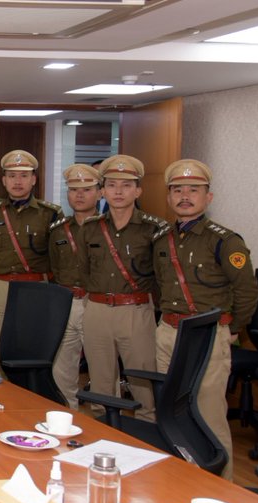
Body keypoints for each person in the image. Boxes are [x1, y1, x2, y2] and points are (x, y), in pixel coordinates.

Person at [153, 159, 258, 480]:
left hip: (207, 335)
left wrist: (228, 328)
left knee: (209, 414)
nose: (185, 196)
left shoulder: (224, 241)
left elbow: (247, 292)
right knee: (170, 410)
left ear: (208, 197)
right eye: (177, 190)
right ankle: (179, 478)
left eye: (193, 190)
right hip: (168, 331)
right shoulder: (161, 238)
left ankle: (221, 486)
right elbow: (159, 283)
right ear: (169, 196)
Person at [77, 154, 166, 422]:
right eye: (112, 185)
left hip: (135, 311)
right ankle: (102, 437)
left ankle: (146, 440)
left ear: (138, 190)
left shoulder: (154, 229)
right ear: (102, 190)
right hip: (97, 310)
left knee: (142, 383)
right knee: (101, 382)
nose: (118, 191)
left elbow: (162, 276)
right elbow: (84, 270)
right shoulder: (90, 229)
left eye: (127, 185)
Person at [0, 150, 63, 376]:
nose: (18, 181)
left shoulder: (50, 214)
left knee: (32, 346)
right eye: (12, 175)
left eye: (24, 175)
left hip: (34, 288)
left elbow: (57, 257)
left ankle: (29, 396)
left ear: (34, 179)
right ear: (4, 180)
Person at [47, 163, 102, 409]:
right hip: (66, 301)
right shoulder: (58, 229)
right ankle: (66, 416)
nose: (79, 195)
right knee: (62, 370)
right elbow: (53, 267)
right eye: (73, 189)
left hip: (98, 304)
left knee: (102, 370)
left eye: (87, 189)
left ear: (100, 192)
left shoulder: (108, 229)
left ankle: (105, 421)